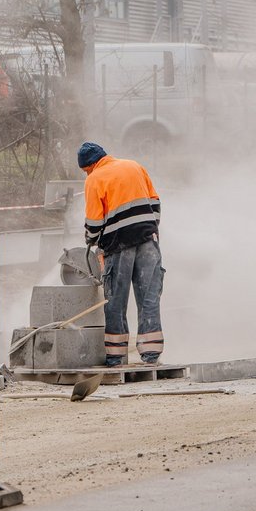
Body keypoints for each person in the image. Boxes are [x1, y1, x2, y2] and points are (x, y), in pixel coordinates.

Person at [78, 141, 164, 367]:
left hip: (118, 245)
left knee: (115, 299)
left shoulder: (94, 178)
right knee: (149, 297)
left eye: (85, 170)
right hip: (148, 241)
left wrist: (91, 239)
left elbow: (94, 222)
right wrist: (149, 229)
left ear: (90, 165)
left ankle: (116, 357)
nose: (86, 174)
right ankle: (151, 355)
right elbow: (155, 202)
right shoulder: (134, 166)